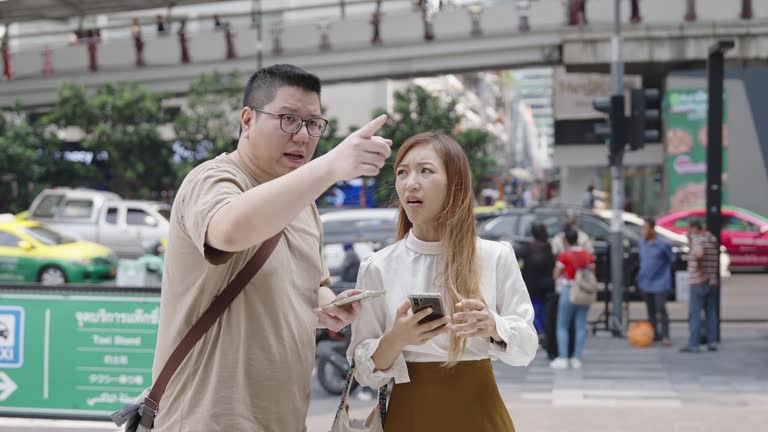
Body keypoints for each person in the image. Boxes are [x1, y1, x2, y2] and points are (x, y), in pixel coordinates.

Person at [151, 64, 393, 432]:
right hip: (207, 419)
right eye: (288, 119)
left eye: (314, 124)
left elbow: (309, 287)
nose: (303, 135)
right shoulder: (213, 179)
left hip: (283, 418)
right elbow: (229, 230)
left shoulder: (303, 202)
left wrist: (328, 304)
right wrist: (330, 167)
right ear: (247, 119)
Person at [348, 132, 538, 431]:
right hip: (407, 415)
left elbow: (526, 348)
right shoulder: (378, 266)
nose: (411, 182)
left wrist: (493, 326)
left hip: (481, 415)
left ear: (455, 183)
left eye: (426, 170)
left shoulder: (496, 256)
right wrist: (397, 338)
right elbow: (362, 371)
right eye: (402, 172)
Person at [550, 228, 595, 369]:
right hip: (584, 292)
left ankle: (563, 358)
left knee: (562, 325)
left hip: (568, 291)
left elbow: (556, 274)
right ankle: (576, 358)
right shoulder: (588, 255)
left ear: (565, 240)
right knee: (581, 326)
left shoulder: (564, 256)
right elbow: (592, 273)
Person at [681, 218, 719, 353]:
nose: (687, 232)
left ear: (694, 229)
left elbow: (699, 253)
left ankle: (694, 344)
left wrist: (699, 267)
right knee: (711, 313)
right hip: (712, 281)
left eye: (688, 229)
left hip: (698, 282)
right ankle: (712, 342)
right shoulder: (711, 238)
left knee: (695, 313)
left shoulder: (699, 240)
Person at [636, 217, 675, 346]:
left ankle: (665, 335)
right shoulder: (641, 243)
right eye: (643, 228)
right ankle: (654, 334)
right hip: (645, 282)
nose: (643, 231)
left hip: (660, 282)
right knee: (650, 310)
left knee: (660, 308)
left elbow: (671, 260)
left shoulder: (663, 244)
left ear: (653, 229)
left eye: (646, 228)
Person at [520, 223, 555, 337]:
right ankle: (543, 331)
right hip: (546, 285)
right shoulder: (548, 248)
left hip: (531, 285)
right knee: (543, 310)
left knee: (533, 310)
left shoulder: (528, 249)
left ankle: (538, 331)